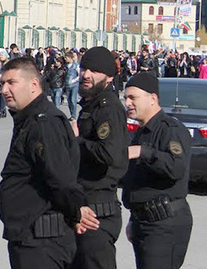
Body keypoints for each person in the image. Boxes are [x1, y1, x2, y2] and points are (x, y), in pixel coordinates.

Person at [0, 57, 99, 269]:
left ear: (34, 84)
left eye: (11, 83)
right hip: (30, 238)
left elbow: (60, 177)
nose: (4, 89)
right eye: (2, 84)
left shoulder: (44, 123)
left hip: (42, 242)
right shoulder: (29, 118)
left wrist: (76, 210)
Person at [123, 72, 193, 269]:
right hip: (144, 221)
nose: (128, 103)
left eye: (133, 98)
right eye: (126, 98)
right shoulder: (141, 132)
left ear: (153, 99)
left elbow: (176, 167)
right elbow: (138, 181)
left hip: (165, 223)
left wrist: (144, 152)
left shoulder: (170, 129)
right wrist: (133, 219)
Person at [69, 47, 129, 269]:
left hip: (98, 211)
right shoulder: (91, 105)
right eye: (84, 68)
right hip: (84, 206)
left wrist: (76, 141)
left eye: (94, 70)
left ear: (109, 77)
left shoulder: (108, 108)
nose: (86, 74)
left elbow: (109, 154)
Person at [64, 51, 80, 120]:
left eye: (66, 57)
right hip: (67, 85)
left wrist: (74, 80)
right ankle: (71, 114)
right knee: (69, 100)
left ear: (70, 58)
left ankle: (74, 115)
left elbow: (79, 75)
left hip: (74, 85)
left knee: (73, 100)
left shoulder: (76, 65)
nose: (65, 59)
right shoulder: (66, 66)